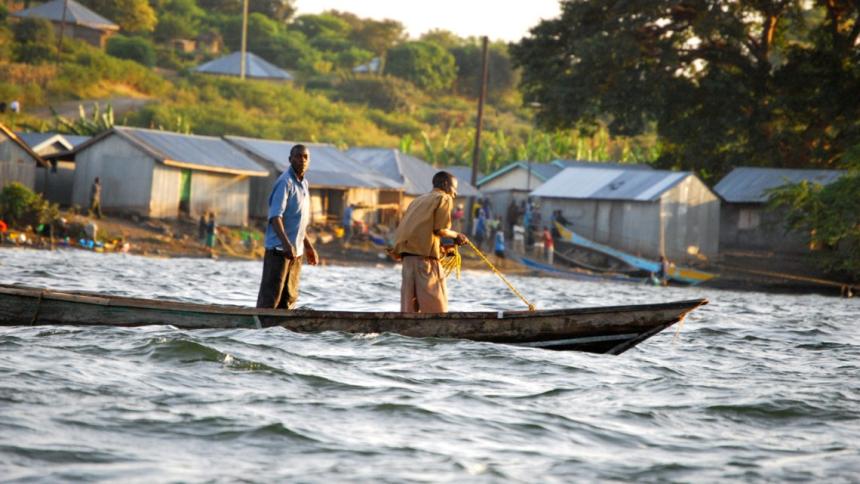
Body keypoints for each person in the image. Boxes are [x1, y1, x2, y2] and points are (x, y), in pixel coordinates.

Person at [393, 171, 468, 313]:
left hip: (408, 261)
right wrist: (457, 236)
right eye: (454, 188)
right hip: (425, 263)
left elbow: (422, 231)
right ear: (446, 185)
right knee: (437, 311)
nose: (455, 193)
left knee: (408, 313)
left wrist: (444, 248)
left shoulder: (417, 200)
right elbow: (441, 230)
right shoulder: (443, 198)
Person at [257, 144, 318, 309]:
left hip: (295, 253)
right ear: (290, 159)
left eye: (306, 157)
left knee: (288, 300)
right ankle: (262, 331)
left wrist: (309, 247)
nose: (302, 160)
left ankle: (284, 333)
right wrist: (285, 243)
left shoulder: (304, 184)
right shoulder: (285, 182)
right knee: (270, 301)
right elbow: (276, 217)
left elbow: (298, 222)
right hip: (279, 251)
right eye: (298, 156)